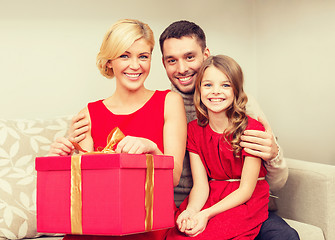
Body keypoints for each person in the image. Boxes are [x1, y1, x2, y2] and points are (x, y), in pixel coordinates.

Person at [68, 20, 299, 239]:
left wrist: (274, 155)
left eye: (190, 57)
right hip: (192, 204)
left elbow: (275, 183)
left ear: (206, 56)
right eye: (172, 60)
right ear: (163, 63)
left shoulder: (239, 107)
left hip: (243, 205)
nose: (182, 68)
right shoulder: (173, 106)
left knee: (283, 236)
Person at [49, 18, 187, 240]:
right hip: (101, 221)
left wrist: (151, 148)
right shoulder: (89, 113)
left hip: (148, 222)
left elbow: (174, 177)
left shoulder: (169, 102)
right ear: (109, 62)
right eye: (124, 55)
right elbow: (87, 189)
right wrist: (60, 160)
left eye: (143, 56)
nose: (135, 65)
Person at [166, 54, 270, 239]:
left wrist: (205, 214)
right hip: (212, 195)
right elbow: (201, 185)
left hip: (245, 200)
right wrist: (192, 211)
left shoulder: (252, 128)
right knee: (179, 232)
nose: (215, 91)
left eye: (225, 85)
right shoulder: (194, 130)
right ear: (199, 90)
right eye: (208, 85)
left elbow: (246, 190)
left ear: (236, 90)